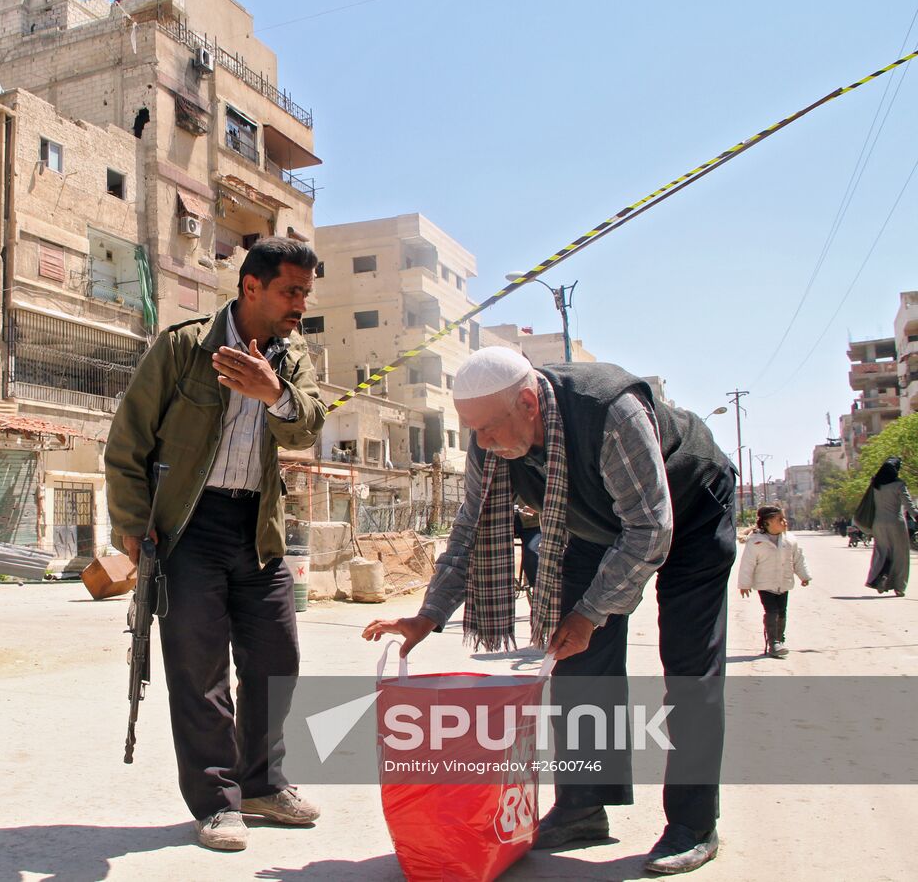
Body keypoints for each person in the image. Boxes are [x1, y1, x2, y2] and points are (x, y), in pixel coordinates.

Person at [362, 347, 737, 875]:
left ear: (527, 402)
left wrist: (592, 612)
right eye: (475, 431)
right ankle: (584, 807)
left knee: (690, 669)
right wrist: (428, 614)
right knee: (579, 665)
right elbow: (469, 531)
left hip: (690, 508)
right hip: (590, 526)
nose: (484, 442)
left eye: (490, 428)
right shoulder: (488, 438)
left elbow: (651, 529)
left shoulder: (610, 411)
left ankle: (693, 825)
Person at [104, 237, 325, 852]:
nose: (300, 305)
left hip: (258, 528)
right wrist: (132, 522)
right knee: (199, 672)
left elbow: (309, 424)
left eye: (305, 293)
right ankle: (216, 802)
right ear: (250, 287)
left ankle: (261, 783)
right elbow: (127, 444)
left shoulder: (292, 355)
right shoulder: (184, 345)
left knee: (276, 660)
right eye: (291, 291)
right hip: (188, 527)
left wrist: (271, 391)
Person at [738, 505, 810, 658]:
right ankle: (773, 643)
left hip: (783, 583)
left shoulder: (790, 540)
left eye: (784, 519)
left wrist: (804, 576)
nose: (785, 522)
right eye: (780, 519)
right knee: (772, 612)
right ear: (768, 522)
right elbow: (747, 564)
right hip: (765, 585)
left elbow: (797, 559)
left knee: (782, 612)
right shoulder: (756, 542)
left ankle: (780, 639)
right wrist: (744, 584)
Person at [858, 457, 915, 595]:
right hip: (896, 522)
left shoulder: (876, 484)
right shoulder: (898, 484)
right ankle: (899, 587)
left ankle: (879, 581)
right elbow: (909, 505)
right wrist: (916, 516)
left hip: (878, 524)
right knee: (900, 555)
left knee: (881, 552)